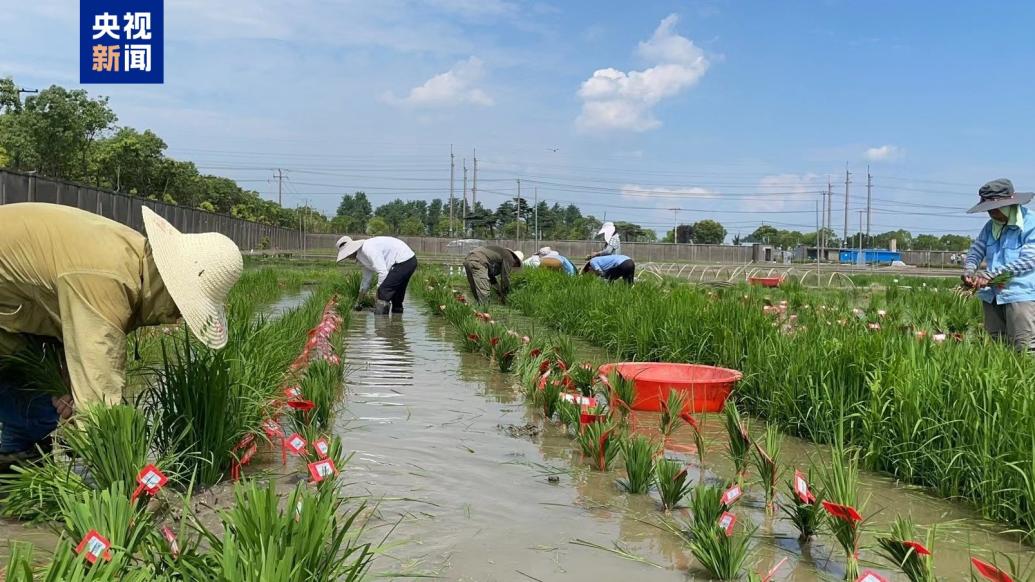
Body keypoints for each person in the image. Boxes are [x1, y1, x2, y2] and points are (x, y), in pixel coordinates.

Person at [0, 203, 243, 468]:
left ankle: (19, 481)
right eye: (182, 306)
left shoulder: (130, 259)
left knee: (38, 409)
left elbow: (63, 327)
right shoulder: (108, 279)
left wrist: (64, 388)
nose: (177, 317)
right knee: (40, 414)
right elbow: (99, 393)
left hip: (14, 317)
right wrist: (121, 472)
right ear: (170, 286)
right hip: (10, 318)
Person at [963, 178, 1035, 352]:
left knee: (1024, 347)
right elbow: (977, 249)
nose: (992, 214)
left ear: (1010, 204)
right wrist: (969, 269)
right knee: (998, 347)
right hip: (992, 295)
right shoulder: (990, 226)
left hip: (1020, 295)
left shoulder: (1030, 223)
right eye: (988, 210)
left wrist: (990, 275)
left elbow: (1029, 260)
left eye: (995, 209)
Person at [336, 236, 417, 315]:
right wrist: (359, 301)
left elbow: (383, 272)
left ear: (351, 250)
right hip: (408, 261)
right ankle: (396, 323)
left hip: (404, 261)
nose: (347, 257)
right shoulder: (362, 257)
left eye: (347, 255)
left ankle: (380, 325)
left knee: (383, 292)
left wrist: (378, 295)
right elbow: (366, 280)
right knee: (396, 297)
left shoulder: (368, 249)